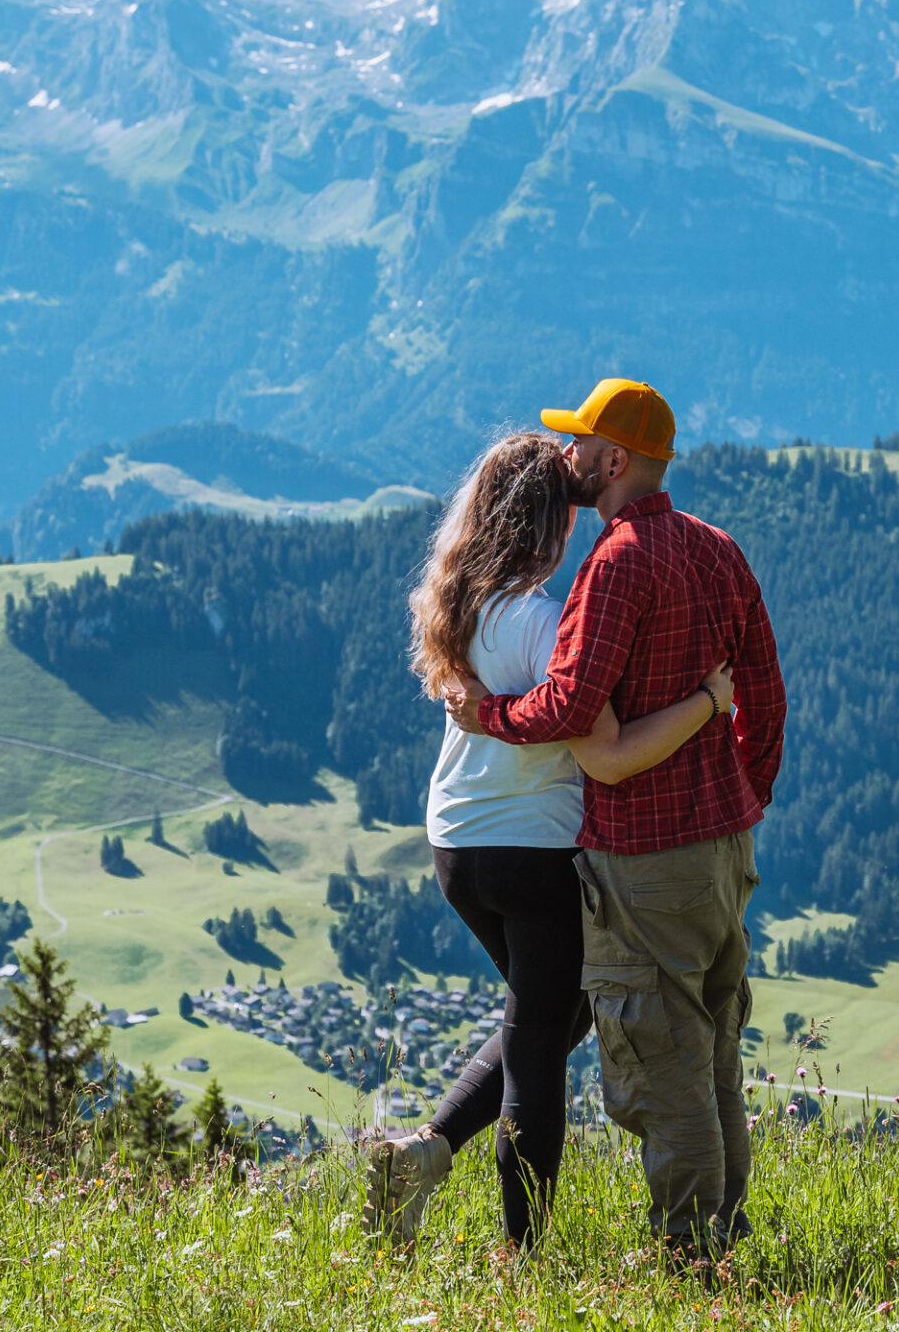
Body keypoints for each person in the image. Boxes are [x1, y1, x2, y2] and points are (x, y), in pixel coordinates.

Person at [364, 429, 732, 1252]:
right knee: (539, 1052)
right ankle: (521, 1259)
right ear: (550, 526)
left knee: (551, 1018)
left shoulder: (460, 604)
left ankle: (426, 1153)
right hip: (536, 852)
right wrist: (709, 701)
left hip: (457, 845)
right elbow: (602, 743)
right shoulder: (544, 621)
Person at [445, 378, 787, 1259]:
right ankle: (726, 1228)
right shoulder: (720, 549)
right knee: (713, 1054)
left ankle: (689, 1254)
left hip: (646, 852)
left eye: (582, 443)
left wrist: (488, 716)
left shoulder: (613, 564)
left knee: (661, 1059)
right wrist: (748, 794)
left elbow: (568, 708)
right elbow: (765, 689)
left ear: (616, 460)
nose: (570, 457)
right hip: (723, 845)